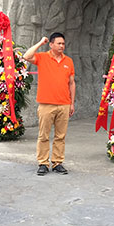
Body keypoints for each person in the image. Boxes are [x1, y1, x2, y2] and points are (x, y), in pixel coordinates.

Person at [23, 33, 76, 176]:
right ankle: (43, 163)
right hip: (46, 104)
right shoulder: (42, 57)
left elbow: (71, 83)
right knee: (43, 135)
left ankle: (58, 162)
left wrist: (71, 103)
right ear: (51, 44)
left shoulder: (68, 61)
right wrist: (41, 43)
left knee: (60, 136)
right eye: (59, 43)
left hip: (64, 104)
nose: (61, 46)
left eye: (63, 43)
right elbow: (26, 56)